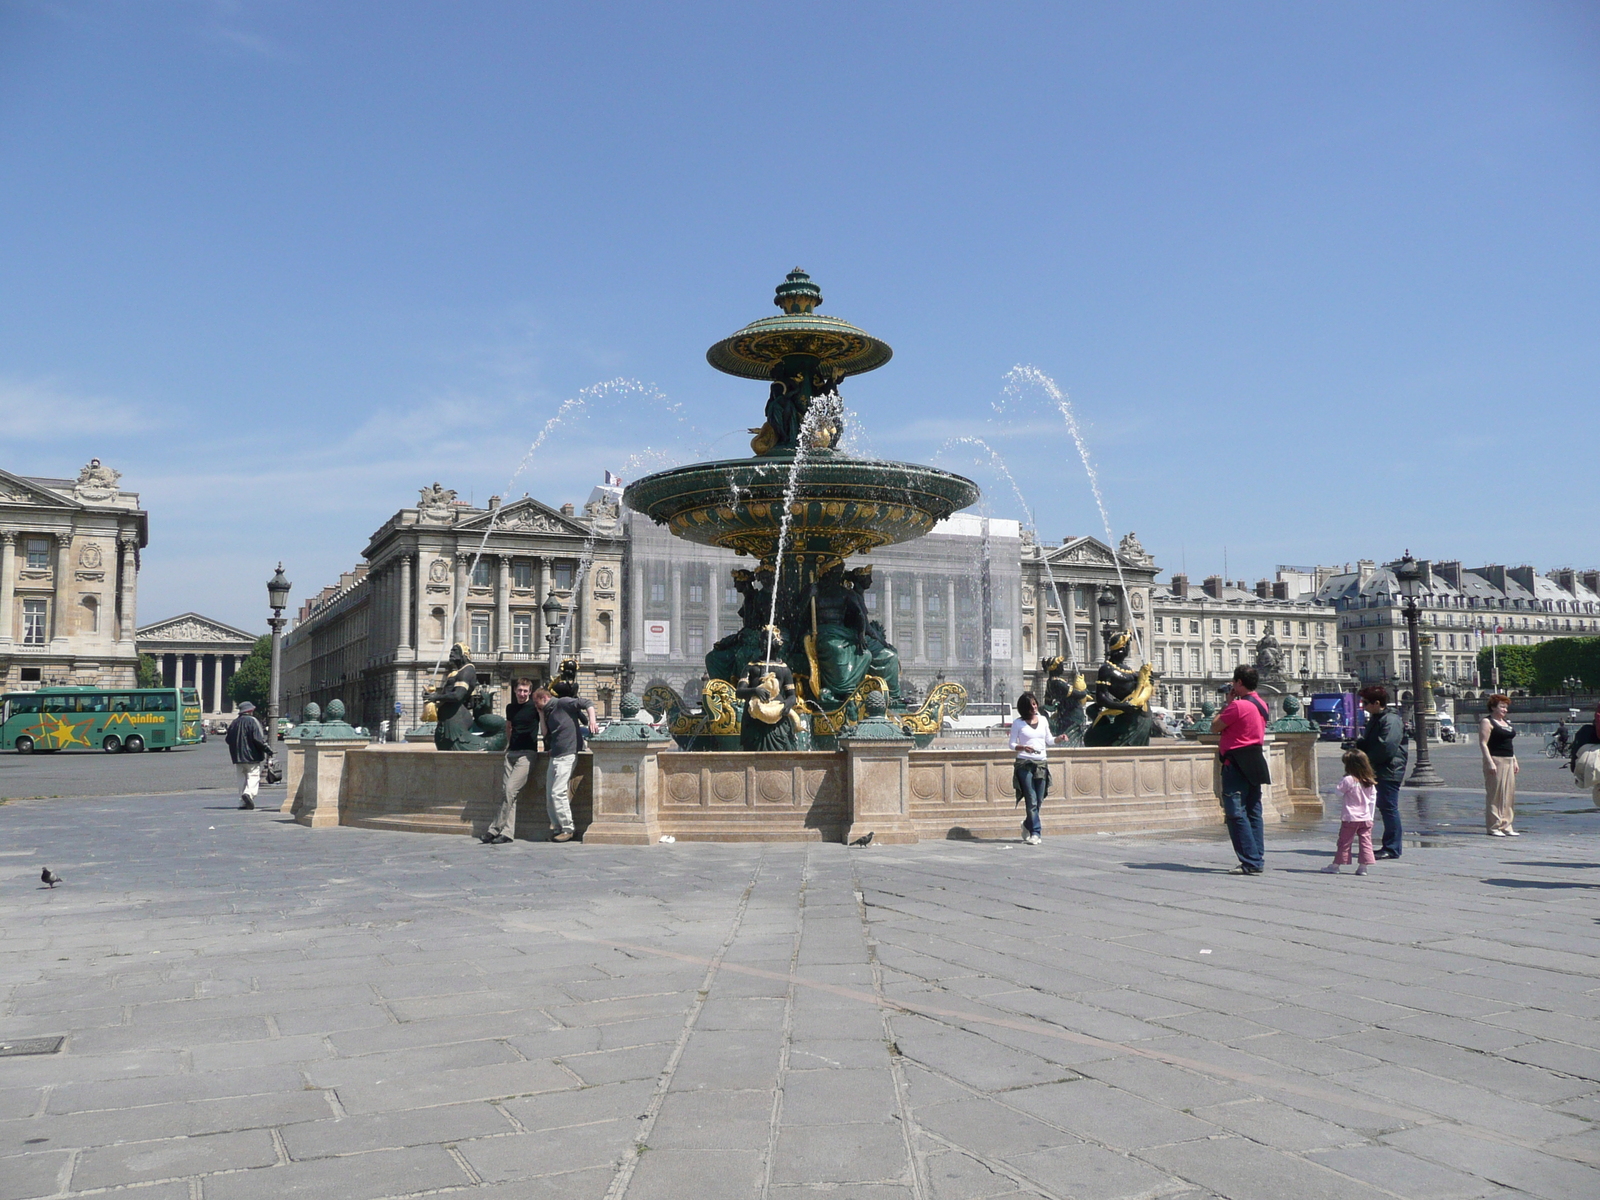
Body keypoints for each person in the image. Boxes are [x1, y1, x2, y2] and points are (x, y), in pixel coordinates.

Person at [1212, 665, 1271, 875]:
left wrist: (1227, 704)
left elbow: (1215, 726)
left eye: (1234, 683)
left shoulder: (1237, 706)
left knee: (1236, 813)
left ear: (1238, 683)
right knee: (1254, 811)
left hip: (1236, 761)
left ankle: (1250, 860)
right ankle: (1256, 857)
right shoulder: (1262, 704)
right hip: (1255, 759)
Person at [1355, 684, 1408, 860]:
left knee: (1389, 807)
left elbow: (1386, 747)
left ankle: (1392, 847)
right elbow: (1373, 742)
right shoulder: (1377, 718)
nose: (1363, 706)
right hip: (1382, 768)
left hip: (1389, 769)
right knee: (1385, 807)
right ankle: (1390, 845)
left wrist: (1366, 762)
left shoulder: (1390, 720)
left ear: (1377, 703)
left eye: (1365, 702)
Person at [540, 679, 596, 842]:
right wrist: (540, 713)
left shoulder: (563, 702)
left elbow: (588, 702)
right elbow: (545, 734)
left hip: (568, 754)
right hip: (555, 754)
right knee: (550, 795)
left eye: (539, 705)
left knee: (558, 792)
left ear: (545, 698)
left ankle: (568, 828)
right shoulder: (549, 712)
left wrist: (592, 720)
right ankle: (557, 827)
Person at [486, 678, 539, 845]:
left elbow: (547, 722)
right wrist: (508, 746)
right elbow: (509, 727)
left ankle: (494, 829)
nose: (522, 694)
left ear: (530, 692)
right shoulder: (511, 708)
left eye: (525, 691)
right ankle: (507, 833)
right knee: (509, 794)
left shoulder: (535, 707)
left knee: (510, 790)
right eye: (520, 690)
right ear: (515, 691)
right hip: (512, 753)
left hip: (527, 754)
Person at [1010, 691, 1066, 845]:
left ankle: (1027, 824)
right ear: (1024, 708)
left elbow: (1049, 740)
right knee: (1031, 799)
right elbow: (1011, 744)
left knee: (1039, 799)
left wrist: (1059, 739)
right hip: (1024, 764)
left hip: (1041, 763)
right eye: (1030, 706)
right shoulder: (1018, 723)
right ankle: (1036, 832)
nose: (1034, 707)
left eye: (1035, 704)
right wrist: (1022, 747)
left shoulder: (1043, 720)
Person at [1322, 748, 1377, 876]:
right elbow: (1373, 799)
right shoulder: (1369, 780)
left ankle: (1336, 865)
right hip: (1366, 817)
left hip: (1350, 817)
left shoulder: (1348, 780)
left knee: (1344, 842)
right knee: (1366, 842)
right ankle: (1363, 867)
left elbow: (1338, 793)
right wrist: (1371, 816)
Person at [1480, 693, 1520, 836]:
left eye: (1506, 707)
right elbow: (1483, 743)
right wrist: (1489, 762)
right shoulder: (1487, 722)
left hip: (1508, 759)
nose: (1505, 710)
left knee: (1509, 794)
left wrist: (1514, 760)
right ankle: (1493, 826)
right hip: (1496, 759)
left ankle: (1506, 825)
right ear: (1493, 707)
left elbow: (1509, 743)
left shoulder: (1506, 722)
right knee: (1495, 794)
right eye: (1502, 707)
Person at [224, 701, 273, 811]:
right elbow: (258, 739)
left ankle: (242, 802)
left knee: (241, 778)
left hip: (237, 757)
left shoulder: (234, 723)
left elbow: (228, 739)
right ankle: (248, 794)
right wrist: (267, 749)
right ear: (250, 711)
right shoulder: (253, 721)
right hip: (252, 756)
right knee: (253, 776)